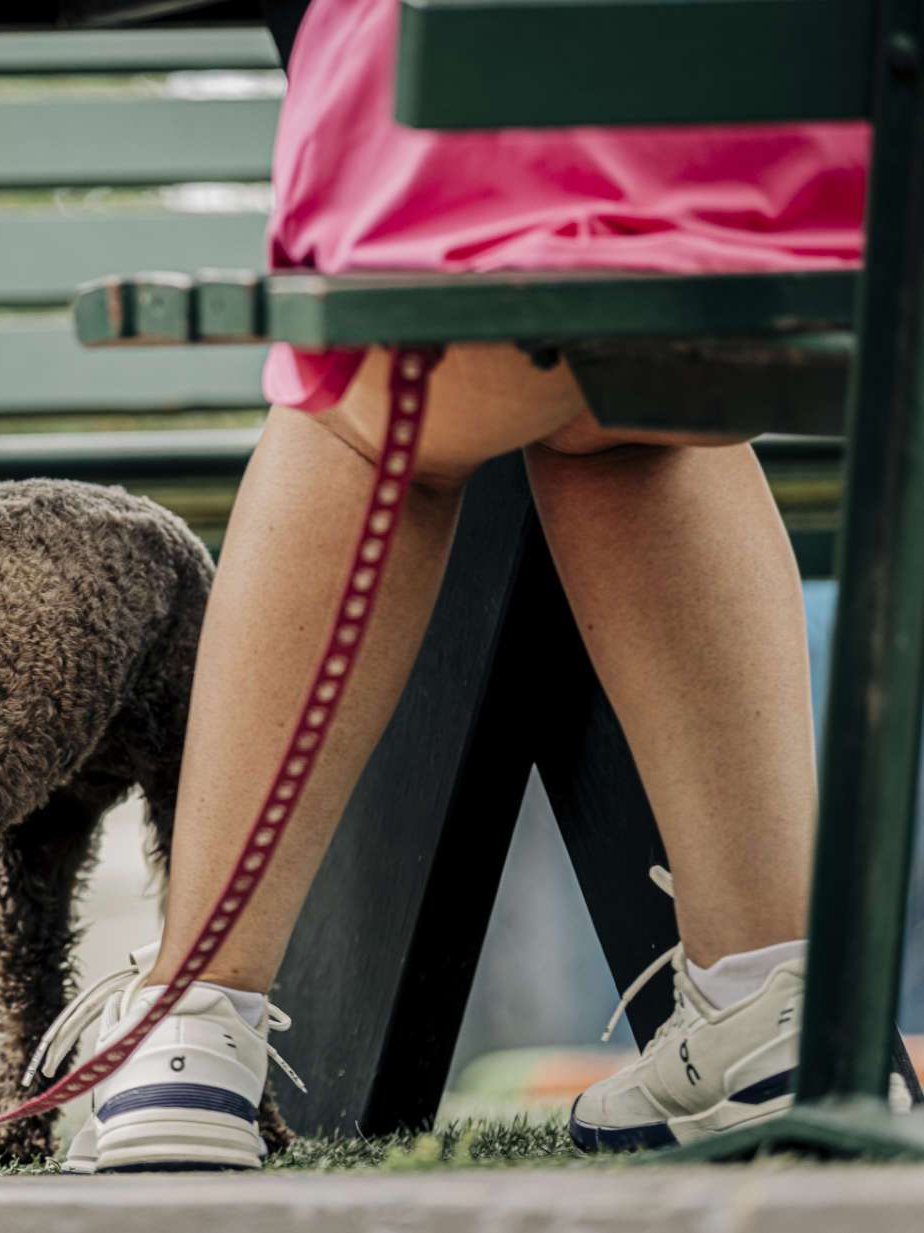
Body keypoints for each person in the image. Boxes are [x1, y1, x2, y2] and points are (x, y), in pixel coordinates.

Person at [52, 0, 868, 1172]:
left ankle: (194, 1024)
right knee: (622, 407)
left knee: (355, 405)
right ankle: (769, 1001)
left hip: (466, 193)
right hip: (800, 215)